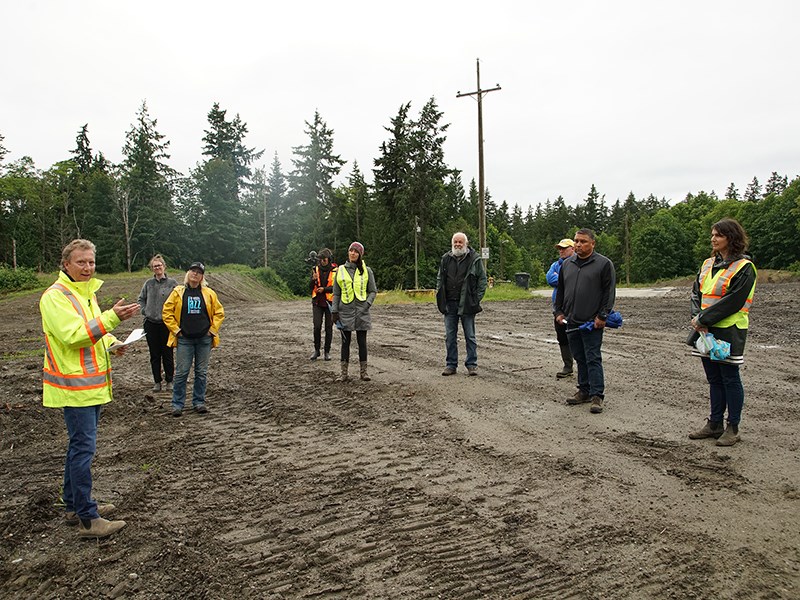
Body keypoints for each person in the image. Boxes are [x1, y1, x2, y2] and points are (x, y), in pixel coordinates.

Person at [40, 239, 139, 538]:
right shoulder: (55, 297)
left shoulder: (87, 294)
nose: (87, 267)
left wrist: (113, 344)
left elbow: (93, 332)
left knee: (78, 448)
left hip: (91, 388)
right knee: (83, 450)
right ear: (66, 264)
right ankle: (87, 518)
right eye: (81, 262)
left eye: (91, 262)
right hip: (74, 388)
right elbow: (73, 336)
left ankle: (73, 505)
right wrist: (111, 319)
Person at [688, 218, 756, 447]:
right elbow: (696, 293)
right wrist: (699, 318)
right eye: (712, 234)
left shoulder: (745, 267)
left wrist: (702, 319)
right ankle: (715, 423)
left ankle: (733, 427)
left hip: (729, 330)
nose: (713, 239)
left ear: (731, 238)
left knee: (730, 378)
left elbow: (733, 301)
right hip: (705, 330)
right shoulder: (708, 263)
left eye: (718, 235)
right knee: (714, 378)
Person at [555, 228, 616, 414]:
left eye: (583, 241)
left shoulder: (604, 264)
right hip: (571, 320)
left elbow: (609, 292)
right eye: (576, 241)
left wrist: (602, 316)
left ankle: (597, 395)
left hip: (592, 322)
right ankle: (584, 390)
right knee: (579, 356)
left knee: (592, 357)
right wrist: (559, 312)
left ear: (592, 243)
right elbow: (561, 291)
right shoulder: (567, 264)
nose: (579, 244)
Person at [162, 262, 225, 417]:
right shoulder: (178, 292)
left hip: (204, 339)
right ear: (188, 273)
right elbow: (167, 312)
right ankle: (177, 404)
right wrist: (176, 331)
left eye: (198, 272)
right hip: (185, 340)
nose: (195, 274)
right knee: (182, 373)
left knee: (201, 372)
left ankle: (199, 402)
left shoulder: (209, 293)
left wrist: (212, 331)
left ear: (202, 276)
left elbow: (219, 312)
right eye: (193, 271)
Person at [436, 232, 488, 376]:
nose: (458, 244)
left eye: (460, 242)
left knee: (470, 336)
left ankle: (472, 364)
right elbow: (440, 279)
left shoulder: (474, 259)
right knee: (450, 336)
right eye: (455, 242)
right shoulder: (446, 259)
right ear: (452, 243)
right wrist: (440, 296)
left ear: (466, 243)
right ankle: (451, 365)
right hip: (450, 304)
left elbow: (482, 281)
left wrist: (476, 299)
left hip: (467, 304)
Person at [331, 242, 377, 382]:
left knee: (362, 342)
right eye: (351, 251)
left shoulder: (367, 270)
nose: (353, 253)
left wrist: (366, 305)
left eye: (356, 251)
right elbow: (336, 293)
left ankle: (364, 373)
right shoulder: (340, 270)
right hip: (345, 311)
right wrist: (334, 311)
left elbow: (373, 291)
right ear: (348, 252)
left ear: (360, 255)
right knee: (345, 343)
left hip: (362, 312)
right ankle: (344, 374)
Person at [138, 254, 178, 392]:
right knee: (154, 355)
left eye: (159, 265)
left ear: (164, 266)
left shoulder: (172, 284)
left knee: (167, 353)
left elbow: (179, 300)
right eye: (155, 266)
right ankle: (157, 382)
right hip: (151, 324)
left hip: (166, 325)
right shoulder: (148, 284)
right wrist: (145, 310)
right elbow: (141, 299)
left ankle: (169, 381)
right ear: (152, 269)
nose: (157, 268)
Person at [546, 238, 576, 379]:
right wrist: (562, 279)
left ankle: (583, 367)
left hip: (574, 307)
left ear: (573, 249)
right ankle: (568, 366)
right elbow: (550, 279)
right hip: (558, 309)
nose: (561, 251)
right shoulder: (555, 264)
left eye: (564, 248)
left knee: (577, 337)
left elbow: (573, 281)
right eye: (559, 248)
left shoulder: (577, 264)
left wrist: (561, 278)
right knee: (562, 337)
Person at [309, 248, 337, 361]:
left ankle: (327, 351)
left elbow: (336, 288)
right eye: (320, 259)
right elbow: (310, 287)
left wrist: (324, 289)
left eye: (324, 259)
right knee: (316, 326)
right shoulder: (315, 270)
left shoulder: (336, 270)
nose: (322, 261)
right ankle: (316, 350)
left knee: (328, 327)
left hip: (330, 303)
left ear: (329, 259)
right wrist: (312, 280)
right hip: (317, 302)